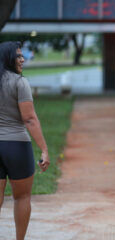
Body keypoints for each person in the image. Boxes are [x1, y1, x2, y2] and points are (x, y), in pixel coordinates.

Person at [0, 41, 50, 240]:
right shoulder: (19, 82)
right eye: (18, 56)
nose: (23, 59)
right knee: (22, 197)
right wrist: (44, 149)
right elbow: (29, 119)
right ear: (7, 59)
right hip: (16, 146)